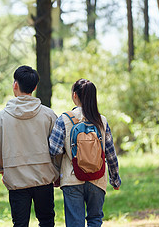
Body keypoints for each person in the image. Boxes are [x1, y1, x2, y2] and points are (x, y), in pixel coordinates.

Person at [0, 65, 59, 227]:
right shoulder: (49, 115)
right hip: (44, 177)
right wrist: (57, 171)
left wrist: (1, 169)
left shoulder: (2, 117)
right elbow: (57, 149)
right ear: (35, 87)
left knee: (20, 224)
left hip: (16, 178)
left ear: (15, 85)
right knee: (47, 221)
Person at [49, 78, 121, 227]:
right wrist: (115, 179)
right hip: (97, 178)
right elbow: (110, 153)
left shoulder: (64, 119)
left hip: (71, 178)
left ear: (74, 95)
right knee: (95, 220)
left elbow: (54, 149)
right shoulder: (102, 120)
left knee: (75, 223)